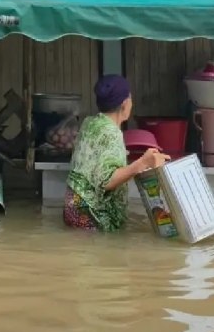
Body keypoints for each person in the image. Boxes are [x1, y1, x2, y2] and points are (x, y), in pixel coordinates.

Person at [64, 75, 170, 231]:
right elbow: (106, 181)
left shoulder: (90, 123)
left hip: (72, 207)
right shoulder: (112, 133)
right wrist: (143, 163)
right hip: (92, 215)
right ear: (125, 103)